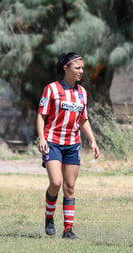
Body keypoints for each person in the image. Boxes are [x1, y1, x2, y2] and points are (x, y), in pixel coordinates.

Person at [37, 52, 100, 239]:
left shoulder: (82, 93)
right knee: (56, 182)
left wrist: (93, 141)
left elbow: (83, 119)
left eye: (82, 68)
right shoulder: (52, 89)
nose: (81, 71)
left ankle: (68, 229)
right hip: (53, 142)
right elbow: (41, 115)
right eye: (77, 68)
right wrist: (41, 138)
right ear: (66, 68)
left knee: (70, 186)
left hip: (73, 144)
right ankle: (49, 217)